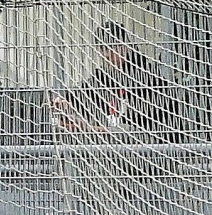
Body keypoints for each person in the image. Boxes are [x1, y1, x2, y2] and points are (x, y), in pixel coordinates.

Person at [51, 21, 186, 140]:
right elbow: (85, 92)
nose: (107, 56)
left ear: (124, 46)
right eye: (103, 51)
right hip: (125, 137)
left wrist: (91, 129)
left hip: (151, 139)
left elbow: (133, 128)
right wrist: (66, 101)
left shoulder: (145, 75)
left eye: (111, 49)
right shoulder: (106, 74)